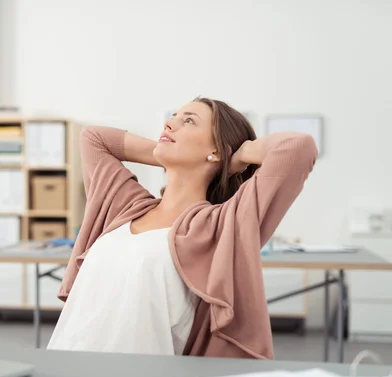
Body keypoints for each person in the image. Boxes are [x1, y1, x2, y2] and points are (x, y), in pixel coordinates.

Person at [46, 97, 317, 359]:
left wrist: (237, 155)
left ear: (217, 150)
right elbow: (94, 138)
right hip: (65, 373)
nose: (169, 124)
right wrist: (163, 151)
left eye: (189, 121)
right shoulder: (124, 206)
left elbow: (298, 147)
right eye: (172, 117)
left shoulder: (222, 226)